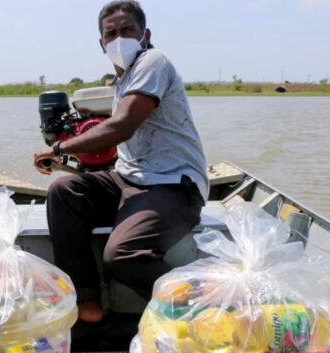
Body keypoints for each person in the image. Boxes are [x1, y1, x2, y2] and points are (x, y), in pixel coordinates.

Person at [34, 0, 208, 323]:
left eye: (127, 30)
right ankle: (86, 300)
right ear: (102, 45)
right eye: (110, 33)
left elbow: (122, 125)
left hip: (174, 185)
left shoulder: (153, 61)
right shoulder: (122, 79)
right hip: (130, 179)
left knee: (122, 254)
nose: (119, 39)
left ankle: (198, 311)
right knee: (63, 192)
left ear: (145, 34)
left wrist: (60, 149)